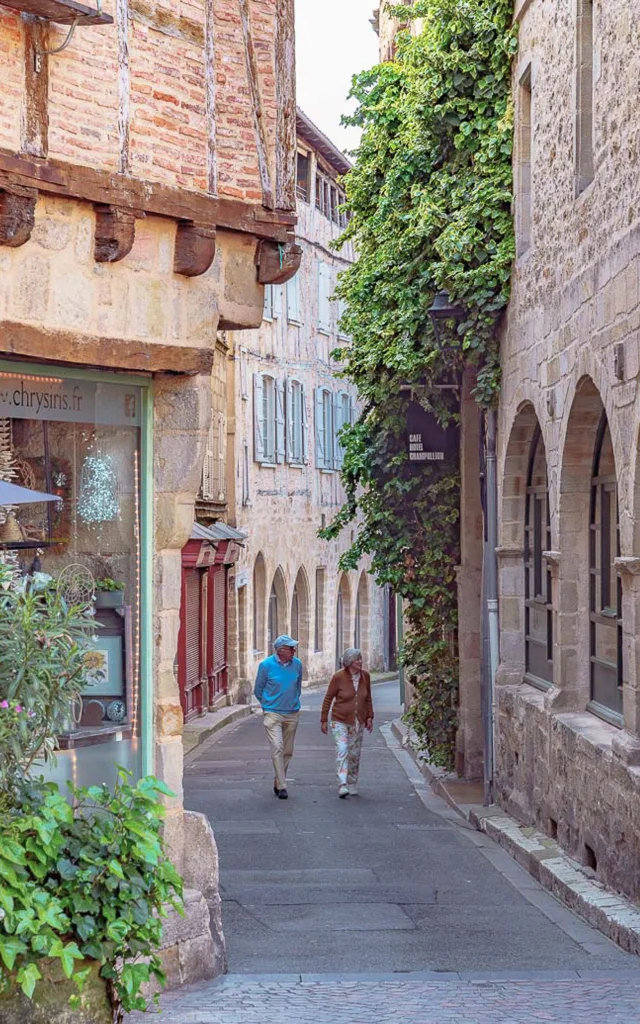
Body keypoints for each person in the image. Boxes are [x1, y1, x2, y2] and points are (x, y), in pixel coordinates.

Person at [254, 635, 303, 800]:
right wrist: (267, 705)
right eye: (291, 648)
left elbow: (297, 687)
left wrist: (294, 702)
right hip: (272, 713)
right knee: (277, 747)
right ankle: (282, 786)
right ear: (280, 650)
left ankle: (278, 779)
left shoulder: (297, 664)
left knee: (288, 751)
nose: (294, 651)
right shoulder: (266, 665)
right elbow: (258, 689)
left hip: (292, 712)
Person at [320, 648, 374, 798]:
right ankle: (342, 783)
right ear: (350, 662)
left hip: (359, 720)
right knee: (342, 749)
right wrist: (324, 719)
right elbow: (328, 698)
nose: (360, 662)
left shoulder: (365, 677)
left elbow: (368, 698)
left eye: (361, 659)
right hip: (340, 720)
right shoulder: (338, 677)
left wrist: (370, 716)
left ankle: (352, 782)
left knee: (355, 753)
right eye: (357, 659)